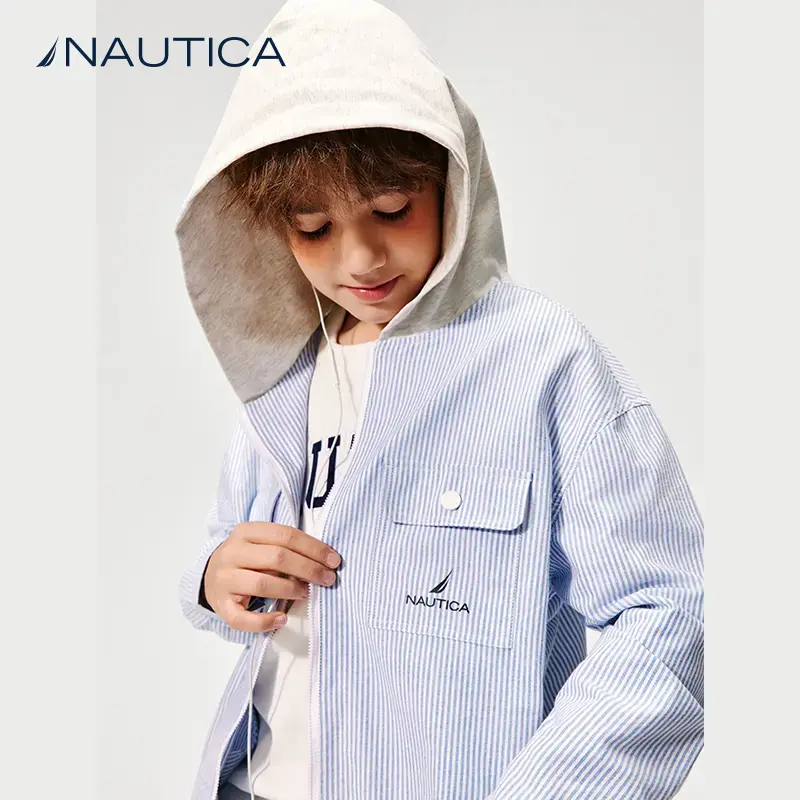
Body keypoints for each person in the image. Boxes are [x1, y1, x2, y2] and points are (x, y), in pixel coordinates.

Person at [176, 1, 704, 799]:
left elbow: (674, 610)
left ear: (452, 180)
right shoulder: (285, 374)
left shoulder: (544, 361)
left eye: (392, 210)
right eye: (314, 228)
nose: (360, 258)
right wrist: (215, 578)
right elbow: (235, 564)